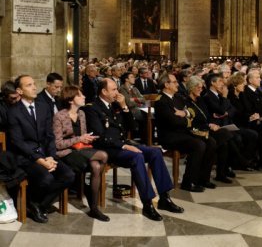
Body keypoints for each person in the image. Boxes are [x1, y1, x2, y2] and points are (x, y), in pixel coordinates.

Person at [84, 77, 183, 221]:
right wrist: (124, 145)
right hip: (107, 149)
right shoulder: (92, 108)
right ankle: (147, 204)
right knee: (137, 156)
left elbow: (132, 127)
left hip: (123, 144)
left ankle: (164, 198)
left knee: (155, 152)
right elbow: (100, 136)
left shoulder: (115, 105)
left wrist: (124, 106)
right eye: (113, 90)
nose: (117, 92)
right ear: (104, 91)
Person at [8, 75, 75, 223]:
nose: (34, 87)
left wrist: (50, 156)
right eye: (29, 85)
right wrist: (40, 160)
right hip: (25, 156)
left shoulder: (42, 106)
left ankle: (37, 205)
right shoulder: (13, 111)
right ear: (19, 90)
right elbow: (18, 142)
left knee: (69, 175)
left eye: (34, 84)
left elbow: (50, 135)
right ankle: (36, 204)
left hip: (45, 153)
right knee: (46, 178)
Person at [52, 84, 108, 221]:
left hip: (81, 149)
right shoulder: (59, 116)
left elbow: (82, 137)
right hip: (66, 153)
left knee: (96, 166)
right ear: (71, 100)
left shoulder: (81, 113)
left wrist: (88, 138)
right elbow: (57, 144)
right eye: (79, 95)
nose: (84, 97)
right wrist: (79, 138)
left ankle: (93, 207)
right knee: (103, 155)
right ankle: (88, 189)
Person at [155, 72, 216, 193]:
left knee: (211, 142)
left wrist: (185, 114)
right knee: (198, 145)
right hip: (169, 136)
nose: (177, 84)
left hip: (182, 133)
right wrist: (187, 118)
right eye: (174, 82)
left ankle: (202, 178)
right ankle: (188, 182)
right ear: (166, 84)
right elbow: (173, 122)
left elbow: (191, 111)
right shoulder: (161, 101)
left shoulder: (178, 97)